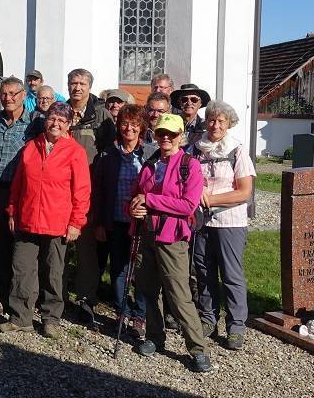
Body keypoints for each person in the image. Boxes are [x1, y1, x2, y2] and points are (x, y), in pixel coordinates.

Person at [130, 113, 211, 373]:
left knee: (179, 295)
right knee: (148, 291)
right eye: (161, 133)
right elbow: (135, 197)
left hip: (173, 238)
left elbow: (188, 204)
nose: (165, 137)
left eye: (171, 134)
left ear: (180, 136)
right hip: (146, 235)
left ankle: (197, 349)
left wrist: (150, 202)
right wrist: (134, 210)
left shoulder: (190, 165)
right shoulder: (149, 165)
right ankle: (155, 337)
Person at [0, 103, 90, 337]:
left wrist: (76, 222)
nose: (55, 124)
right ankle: (21, 317)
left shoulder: (75, 152)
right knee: (22, 269)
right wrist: (12, 210)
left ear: (69, 125)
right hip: (27, 218)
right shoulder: (31, 147)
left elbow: (82, 190)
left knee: (53, 272)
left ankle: (51, 318)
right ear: (45, 120)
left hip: (57, 221)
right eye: (52, 118)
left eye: (61, 120)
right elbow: (18, 184)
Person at [188, 100, 254, 351]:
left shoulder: (237, 150)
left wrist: (210, 199)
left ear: (229, 124)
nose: (215, 125)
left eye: (221, 121)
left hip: (230, 222)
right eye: (212, 120)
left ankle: (236, 326)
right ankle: (208, 318)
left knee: (231, 275)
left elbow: (244, 192)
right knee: (204, 272)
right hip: (201, 221)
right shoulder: (195, 149)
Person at [90, 103, 149, 338]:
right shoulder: (108, 155)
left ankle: (140, 315)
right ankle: (122, 310)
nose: (129, 128)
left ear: (142, 127)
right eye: (125, 123)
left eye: (134, 124)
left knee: (142, 270)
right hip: (116, 219)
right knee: (118, 269)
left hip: (142, 224)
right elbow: (101, 192)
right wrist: (101, 222)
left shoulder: (150, 154)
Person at [0, 76, 37, 315]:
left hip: (22, 195)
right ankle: (4, 298)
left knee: (22, 251)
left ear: (23, 95)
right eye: (4, 94)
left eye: (13, 94)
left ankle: (24, 303)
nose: (8, 98)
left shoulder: (34, 124)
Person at [67, 68, 113, 316]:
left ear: (89, 86)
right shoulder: (61, 111)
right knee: (59, 246)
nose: (77, 88)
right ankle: (57, 294)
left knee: (86, 248)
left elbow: (109, 151)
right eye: (73, 83)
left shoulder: (101, 114)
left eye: (82, 83)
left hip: (88, 189)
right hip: (61, 189)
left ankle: (86, 298)